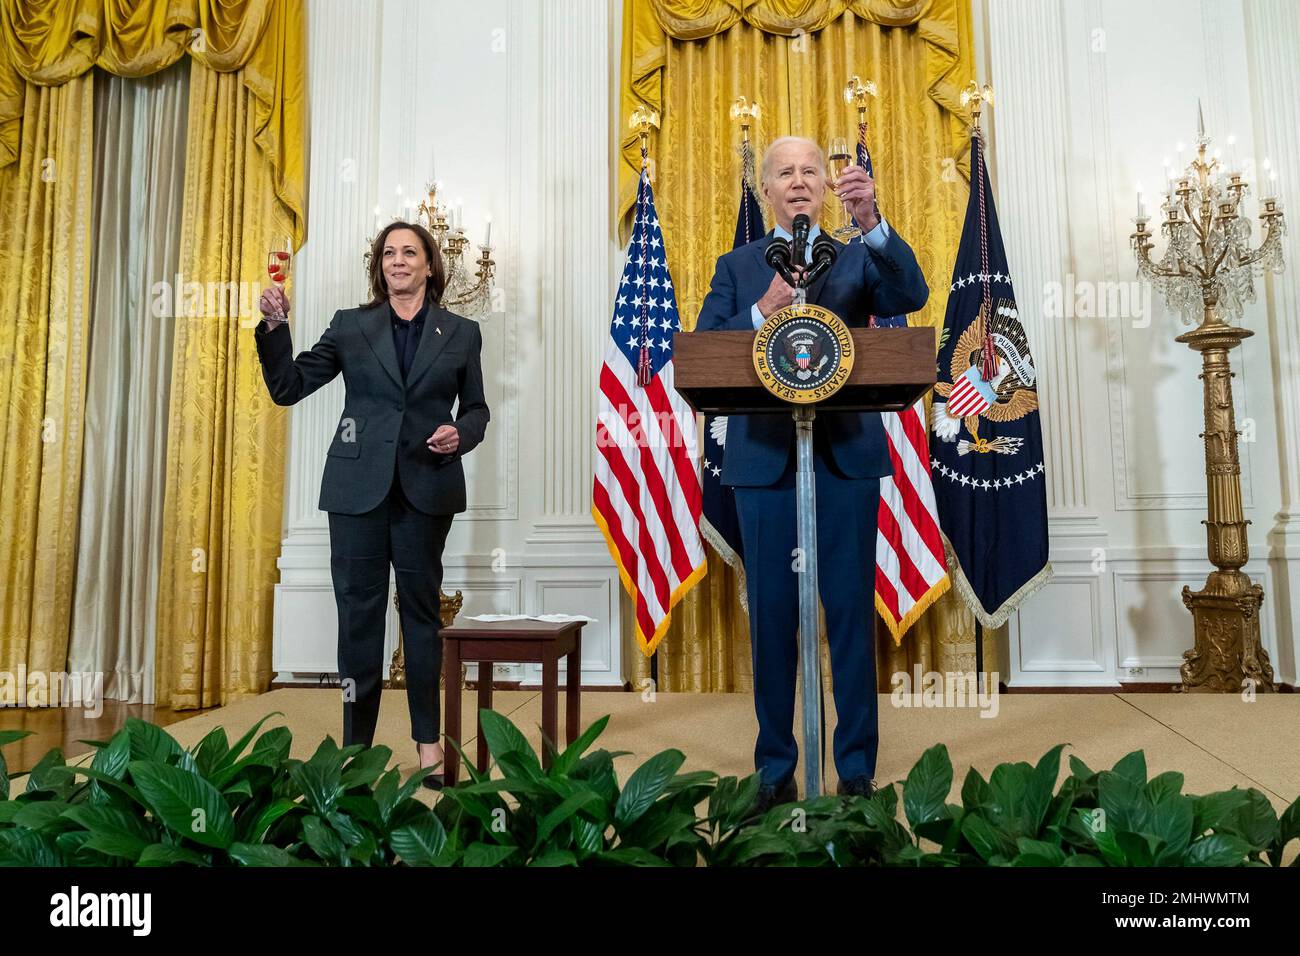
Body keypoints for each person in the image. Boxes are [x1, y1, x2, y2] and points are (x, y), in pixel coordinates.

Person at [695, 136, 928, 810]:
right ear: (766, 188)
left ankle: (855, 770)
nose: (798, 181)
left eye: (810, 171)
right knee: (772, 618)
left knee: (851, 614)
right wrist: (761, 310)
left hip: (844, 457)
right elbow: (704, 349)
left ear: (827, 187)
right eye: (784, 172)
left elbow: (909, 293)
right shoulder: (737, 265)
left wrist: (872, 222)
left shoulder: (858, 255)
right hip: (764, 464)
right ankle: (775, 770)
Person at [254, 221, 489, 789]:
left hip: (425, 488)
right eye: (388, 253)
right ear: (379, 266)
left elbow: (477, 409)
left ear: (430, 265)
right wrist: (275, 326)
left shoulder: (462, 332)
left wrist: (460, 434)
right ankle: (356, 750)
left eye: (409, 252)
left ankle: (428, 744)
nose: (398, 261)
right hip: (356, 491)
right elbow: (288, 387)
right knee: (357, 617)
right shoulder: (350, 325)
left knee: (422, 615)